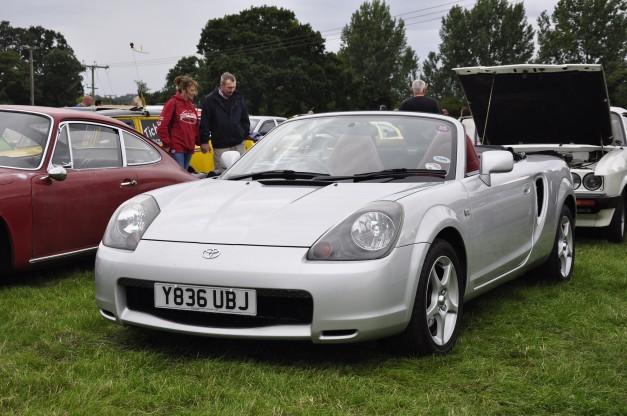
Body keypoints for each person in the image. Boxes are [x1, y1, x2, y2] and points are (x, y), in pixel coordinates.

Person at [200, 72, 250, 172]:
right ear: (221, 85)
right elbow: (205, 122)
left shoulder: (239, 98)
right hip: (221, 144)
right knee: (222, 172)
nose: (232, 90)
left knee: (241, 171)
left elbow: (245, 118)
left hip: (238, 142)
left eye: (234, 87)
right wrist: (204, 141)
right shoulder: (210, 100)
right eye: (229, 87)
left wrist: (244, 134)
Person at [156, 75, 200, 170]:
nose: (194, 93)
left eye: (195, 90)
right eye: (192, 90)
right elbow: (161, 126)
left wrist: (201, 142)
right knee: (180, 175)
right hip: (177, 147)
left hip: (189, 147)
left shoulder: (192, 106)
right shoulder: (173, 103)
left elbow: (195, 128)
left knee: (185, 175)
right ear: (183, 90)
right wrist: (167, 144)